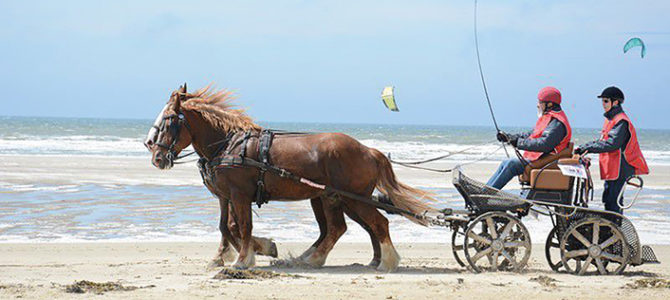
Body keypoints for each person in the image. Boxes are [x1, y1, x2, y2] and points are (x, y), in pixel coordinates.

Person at [575, 86, 649, 214]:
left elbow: (611, 144)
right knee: (609, 200)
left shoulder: (621, 121)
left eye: (605, 101)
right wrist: (584, 147)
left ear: (615, 102)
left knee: (613, 202)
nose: (602, 104)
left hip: (620, 169)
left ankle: (615, 229)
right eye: (602, 101)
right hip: (613, 168)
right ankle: (611, 229)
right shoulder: (611, 119)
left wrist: (588, 148)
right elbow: (602, 140)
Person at [487, 86, 572, 189]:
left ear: (549, 104)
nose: (537, 105)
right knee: (506, 162)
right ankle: (485, 191)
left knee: (511, 164)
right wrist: (508, 137)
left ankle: (487, 194)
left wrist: (518, 142)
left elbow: (544, 145)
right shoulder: (549, 119)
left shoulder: (557, 124)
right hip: (542, 158)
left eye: (540, 102)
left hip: (546, 161)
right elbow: (530, 135)